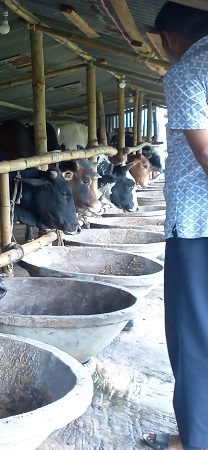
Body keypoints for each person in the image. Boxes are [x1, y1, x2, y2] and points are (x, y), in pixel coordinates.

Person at [143, 3, 208, 450]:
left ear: (168, 37)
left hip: (196, 227)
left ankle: (196, 440)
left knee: (193, 336)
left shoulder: (188, 72)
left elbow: (205, 155)